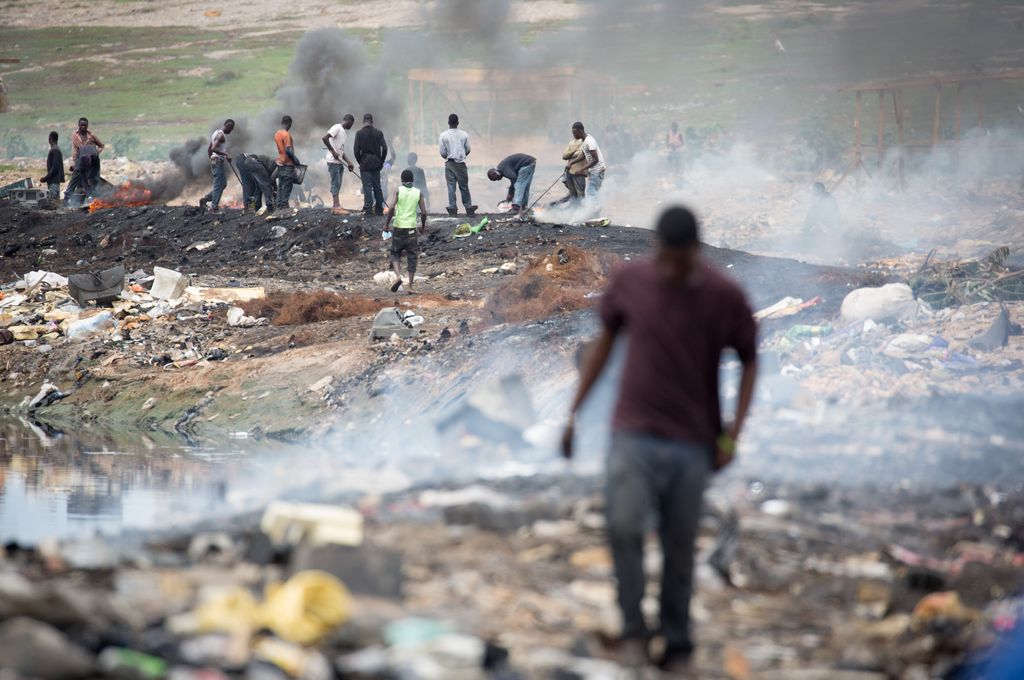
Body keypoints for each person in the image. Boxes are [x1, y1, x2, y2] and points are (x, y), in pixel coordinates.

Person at [561, 206, 758, 673]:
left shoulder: (723, 295)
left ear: (695, 251)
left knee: (678, 543)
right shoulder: (632, 281)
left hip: (693, 440)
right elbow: (604, 344)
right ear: (658, 249)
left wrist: (732, 436)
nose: (671, 269)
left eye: (680, 261)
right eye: (665, 259)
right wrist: (574, 413)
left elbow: (750, 358)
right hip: (633, 432)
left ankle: (677, 643)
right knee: (624, 526)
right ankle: (633, 631)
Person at [382, 168, 427, 293]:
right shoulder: (418, 193)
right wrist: (423, 227)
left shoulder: (398, 191)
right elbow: (424, 212)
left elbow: (391, 208)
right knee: (412, 256)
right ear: (412, 180)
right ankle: (410, 287)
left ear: (402, 180)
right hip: (411, 229)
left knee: (395, 253)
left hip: (399, 227)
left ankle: (398, 277)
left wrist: (386, 224)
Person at [438, 113, 476, 216]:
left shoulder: (443, 135)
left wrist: (448, 156)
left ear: (448, 123)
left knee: (451, 187)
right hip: (461, 164)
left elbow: (442, 152)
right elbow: (468, 149)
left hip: (449, 164)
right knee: (464, 187)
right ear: (458, 123)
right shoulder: (464, 135)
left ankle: (453, 208)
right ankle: (468, 207)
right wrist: (462, 155)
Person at [63, 118, 104, 206]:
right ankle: (66, 200)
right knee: (75, 180)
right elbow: (74, 150)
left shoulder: (91, 136)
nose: (83, 127)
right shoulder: (75, 135)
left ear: (87, 126)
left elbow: (101, 145)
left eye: (85, 125)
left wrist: (97, 152)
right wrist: (74, 162)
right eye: (81, 125)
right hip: (80, 160)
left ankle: (95, 200)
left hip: (92, 160)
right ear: (79, 125)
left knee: (94, 180)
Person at [353, 113, 387, 216]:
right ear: (372, 121)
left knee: (367, 187)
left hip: (365, 163)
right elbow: (385, 148)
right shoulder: (378, 133)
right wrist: (381, 161)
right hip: (376, 162)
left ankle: (368, 211)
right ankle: (379, 210)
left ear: (363, 122)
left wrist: (360, 161)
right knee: (377, 187)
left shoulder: (359, 133)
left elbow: (356, 151)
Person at [322, 114, 356, 211]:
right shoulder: (337, 127)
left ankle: (337, 205)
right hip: (333, 161)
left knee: (338, 183)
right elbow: (325, 138)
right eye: (352, 124)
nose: (351, 126)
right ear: (349, 121)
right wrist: (333, 151)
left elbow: (341, 151)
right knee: (336, 183)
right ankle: (336, 207)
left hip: (339, 162)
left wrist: (349, 162)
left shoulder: (344, 133)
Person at [200, 119, 234, 212]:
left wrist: (211, 159)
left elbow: (209, 149)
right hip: (217, 161)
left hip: (216, 161)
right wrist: (225, 154)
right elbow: (213, 148)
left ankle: (206, 199)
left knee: (223, 184)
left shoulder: (216, 133)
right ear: (229, 127)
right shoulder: (220, 135)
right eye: (231, 129)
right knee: (218, 184)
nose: (230, 131)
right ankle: (214, 207)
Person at [572, 122, 606, 199]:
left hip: (597, 170)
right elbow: (583, 154)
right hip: (593, 171)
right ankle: (596, 206)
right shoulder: (584, 140)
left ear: (580, 131)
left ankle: (594, 206)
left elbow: (595, 159)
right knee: (593, 192)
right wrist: (572, 162)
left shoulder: (589, 141)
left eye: (575, 133)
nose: (574, 135)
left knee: (591, 192)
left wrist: (581, 169)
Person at [274, 115, 300, 211]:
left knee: (280, 186)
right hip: (288, 164)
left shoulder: (277, 134)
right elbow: (288, 150)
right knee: (287, 185)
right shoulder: (286, 134)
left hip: (280, 163)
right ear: (289, 123)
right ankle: (284, 206)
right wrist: (295, 160)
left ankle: (279, 206)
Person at [38, 131, 64, 200]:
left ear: (50, 139)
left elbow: (55, 167)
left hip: (54, 182)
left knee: (53, 201)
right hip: (54, 181)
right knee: (55, 200)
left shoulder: (55, 150)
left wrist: (45, 178)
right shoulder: (56, 149)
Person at [561, 137, 587, 205]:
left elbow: (581, 154)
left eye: (575, 133)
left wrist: (571, 153)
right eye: (573, 133)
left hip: (579, 172)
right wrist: (574, 150)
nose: (574, 135)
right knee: (572, 193)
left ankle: (582, 209)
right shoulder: (571, 142)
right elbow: (564, 156)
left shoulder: (584, 142)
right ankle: (573, 209)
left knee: (580, 193)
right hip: (570, 171)